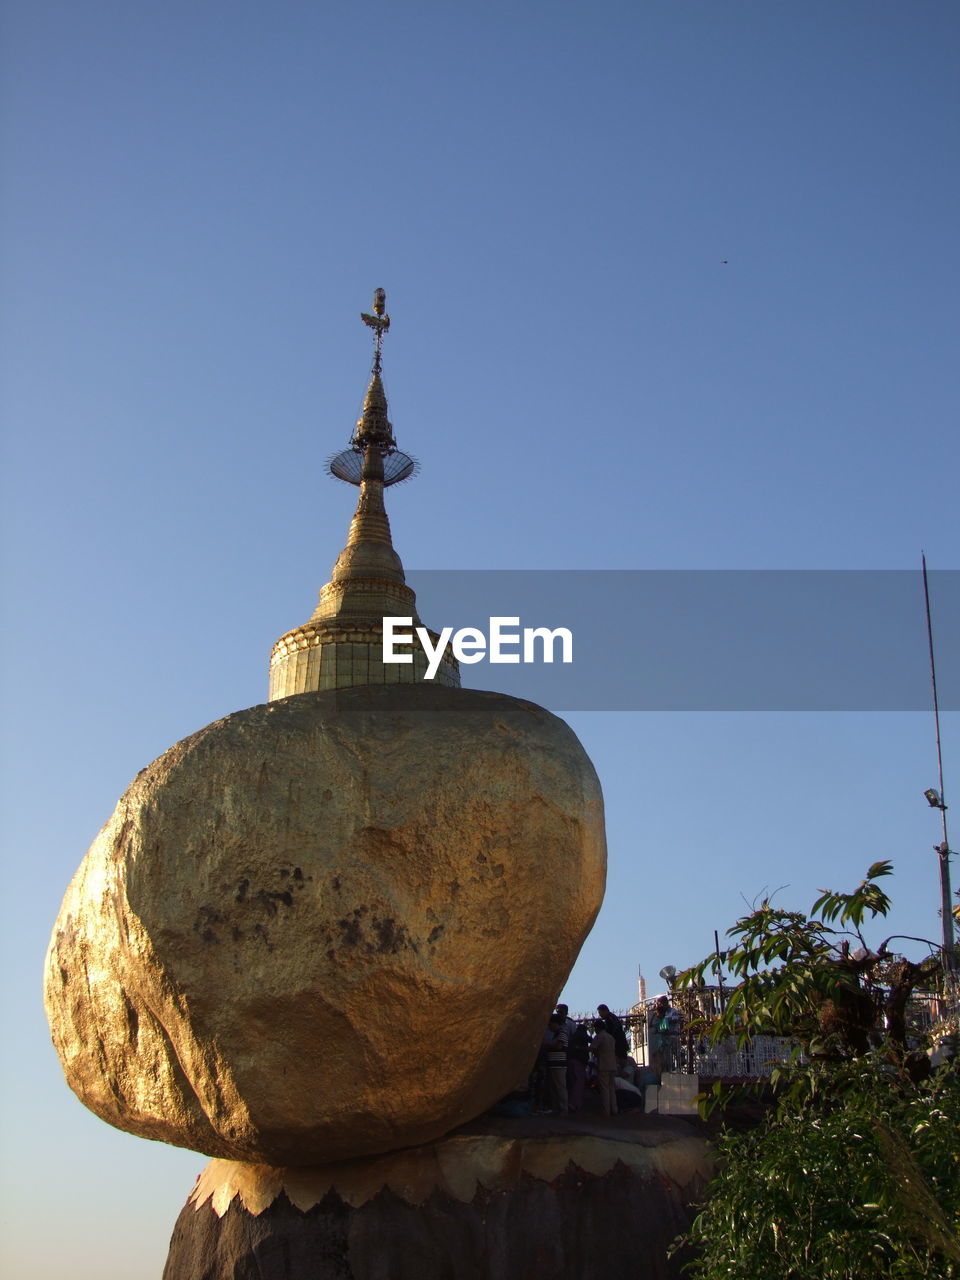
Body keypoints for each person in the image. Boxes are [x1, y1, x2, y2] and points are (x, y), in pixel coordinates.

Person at [647, 994, 682, 1075]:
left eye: (661, 1003)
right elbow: (651, 1025)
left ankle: (677, 1069)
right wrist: (655, 1013)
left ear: (666, 1003)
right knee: (663, 1056)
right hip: (663, 1039)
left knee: (675, 1054)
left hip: (673, 1036)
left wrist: (666, 1020)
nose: (660, 1005)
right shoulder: (659, 1013)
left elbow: (676, 1019)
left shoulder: (673, 1011)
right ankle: (666, 1070)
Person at [591, 1018, 618, 1116]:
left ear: (597, 1028)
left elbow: (593, 1049)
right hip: (612, 1065)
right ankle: (614, 1109)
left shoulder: (599, 1037)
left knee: (604, 1089)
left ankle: (606, 1111)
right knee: (611, 1089)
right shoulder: (611, 1037)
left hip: (603, 1065)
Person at [543, 1015, 569, 1114]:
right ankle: (557, 1108)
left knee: (560, 1087)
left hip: (559, 1064)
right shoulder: (556, 1034)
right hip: (554, 1063)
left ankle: (563, 1109)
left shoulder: (562, 1033)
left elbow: (559, 1046)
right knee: (554, 1087)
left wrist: (547, 1045)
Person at [567, 1021, 590, 1112]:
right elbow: (591, 1040)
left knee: (573, 1081)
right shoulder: (582, 1034)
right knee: (579, 1081)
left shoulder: (573, 1036)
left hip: (571, 1060)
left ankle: (572, 1102)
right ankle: (575, 1103)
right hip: (579, 1061)